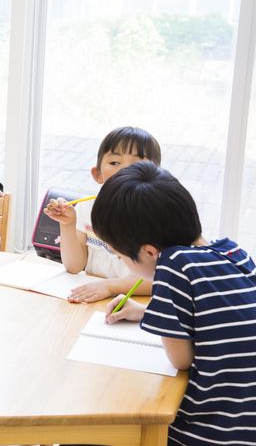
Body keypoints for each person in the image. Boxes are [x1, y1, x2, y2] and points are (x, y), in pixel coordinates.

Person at [93, 161, 256, 445]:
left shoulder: (174, 265)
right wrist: (146, 313)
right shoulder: (232, 250)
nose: (123, 263)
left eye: (120, 256)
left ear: (149, 252)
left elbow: (181, 359)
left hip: (210, 431)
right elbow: (214, 323)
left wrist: (156, 318)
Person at [43, 126, 160, 303]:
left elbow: (161, 280)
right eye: (115, 163)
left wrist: (109, 287)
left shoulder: (159, 216)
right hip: (90, 297)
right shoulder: (86, 209)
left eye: (137, 164)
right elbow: (74, 267)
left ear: (155, 174)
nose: (124, 170)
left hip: (135, 303)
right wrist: (67, 224)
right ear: (97, 174)